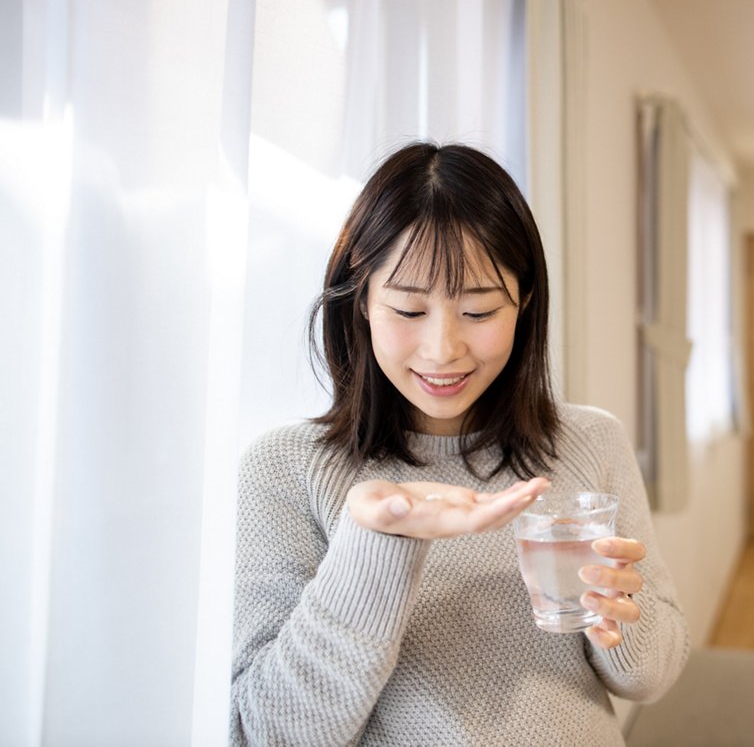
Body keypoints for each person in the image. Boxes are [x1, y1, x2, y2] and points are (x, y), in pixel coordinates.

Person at [230, 142, 689, 745]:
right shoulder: (284, 469)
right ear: (361, 300)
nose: (443, 350)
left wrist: (616, 617)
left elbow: (650, 678)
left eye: (478, 312)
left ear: (524, 301)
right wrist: (375, 542)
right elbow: (270, 732)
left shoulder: (590, 441)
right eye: (408, 310)